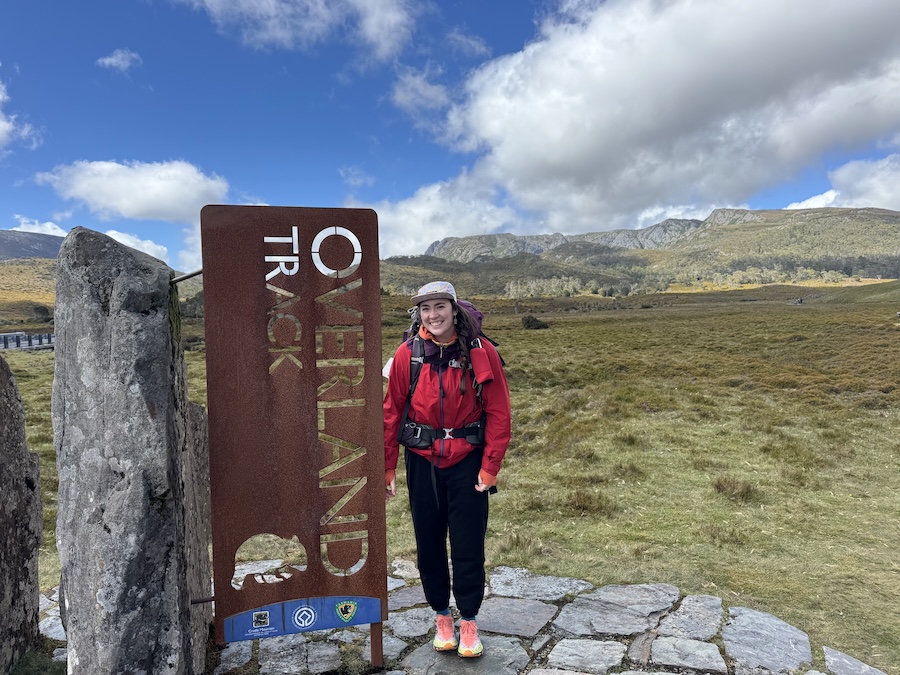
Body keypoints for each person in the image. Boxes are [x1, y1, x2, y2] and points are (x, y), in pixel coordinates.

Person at [383, 280, 511, 658]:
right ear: (418, 314)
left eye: (440, 306)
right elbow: (391, 413)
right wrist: (387, 468)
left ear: (454, 310)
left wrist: (490, 468)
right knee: (429, 544)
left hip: (468, 462)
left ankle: (468, 621)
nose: (433, 315)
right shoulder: (408, 354)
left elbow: (499, 412)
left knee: (468, 545)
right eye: (425, 308)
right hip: (422, 461)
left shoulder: (481, 351)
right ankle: (442, 616)